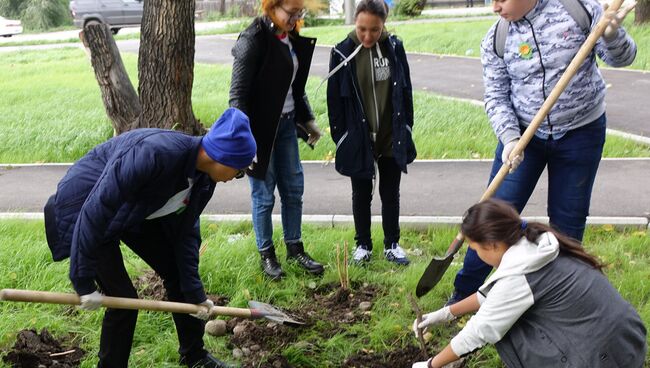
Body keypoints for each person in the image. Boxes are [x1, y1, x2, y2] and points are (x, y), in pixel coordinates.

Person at [449, 0, 638, 304]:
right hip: (524, 137)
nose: (494, 7)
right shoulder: (498, 37)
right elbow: (496, 96)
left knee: (568, 222)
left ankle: (559, 296)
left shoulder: (579, 10)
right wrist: (510, 139)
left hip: (581, 133)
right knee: (490, 218)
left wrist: (612, 34)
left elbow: (624, 58)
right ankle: (463, 295)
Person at [43, 108, 256, 368]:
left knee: (178, 274)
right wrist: (82, 280)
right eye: (240, 171)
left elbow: (186, 233)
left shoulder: (204, 179)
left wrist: (195, 293)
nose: (236, 178)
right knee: (124, 301)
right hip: (82, 208)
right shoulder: (154, 154)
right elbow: (96, 210)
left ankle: (195, 356)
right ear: (224, 159)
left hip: (133, 210)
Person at [411, 199, 647, 368]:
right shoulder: (533, 244)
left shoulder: (518, 275)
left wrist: (431, 364)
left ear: (492, 245)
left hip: (601, 357)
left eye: (474, 249)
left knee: (507, 327)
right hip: (625, 340)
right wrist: (444, 314)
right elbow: (494, 293)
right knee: (507, 315)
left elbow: (480, 331)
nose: (475, 255)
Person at [229, 0, 324, 279]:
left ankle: (295, 249)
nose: (296, 19)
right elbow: (237, 97)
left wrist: (307, 119)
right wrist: (245, 140)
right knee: (263, 195)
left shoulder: (289, 36)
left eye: (300, 13)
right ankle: (267, 255)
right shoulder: (253, 39)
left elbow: (295, 86)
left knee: (294, 188)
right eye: (291, 13)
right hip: (259, 131)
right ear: (272, 6)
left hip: (286, 125)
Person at [327, 0, 416, 265]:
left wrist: (407, 127)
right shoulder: (341, 52)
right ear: (355, 23)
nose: (368, 36)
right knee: (361, 193)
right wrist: (342, 137)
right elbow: (334, 101)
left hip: (391, 135)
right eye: (362, 28)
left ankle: (392, 244)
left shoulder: (395, 47)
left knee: (390, 193)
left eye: (374, 30)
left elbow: (406, 91)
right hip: (358, 137)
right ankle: (363, 245)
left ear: (384, 25)